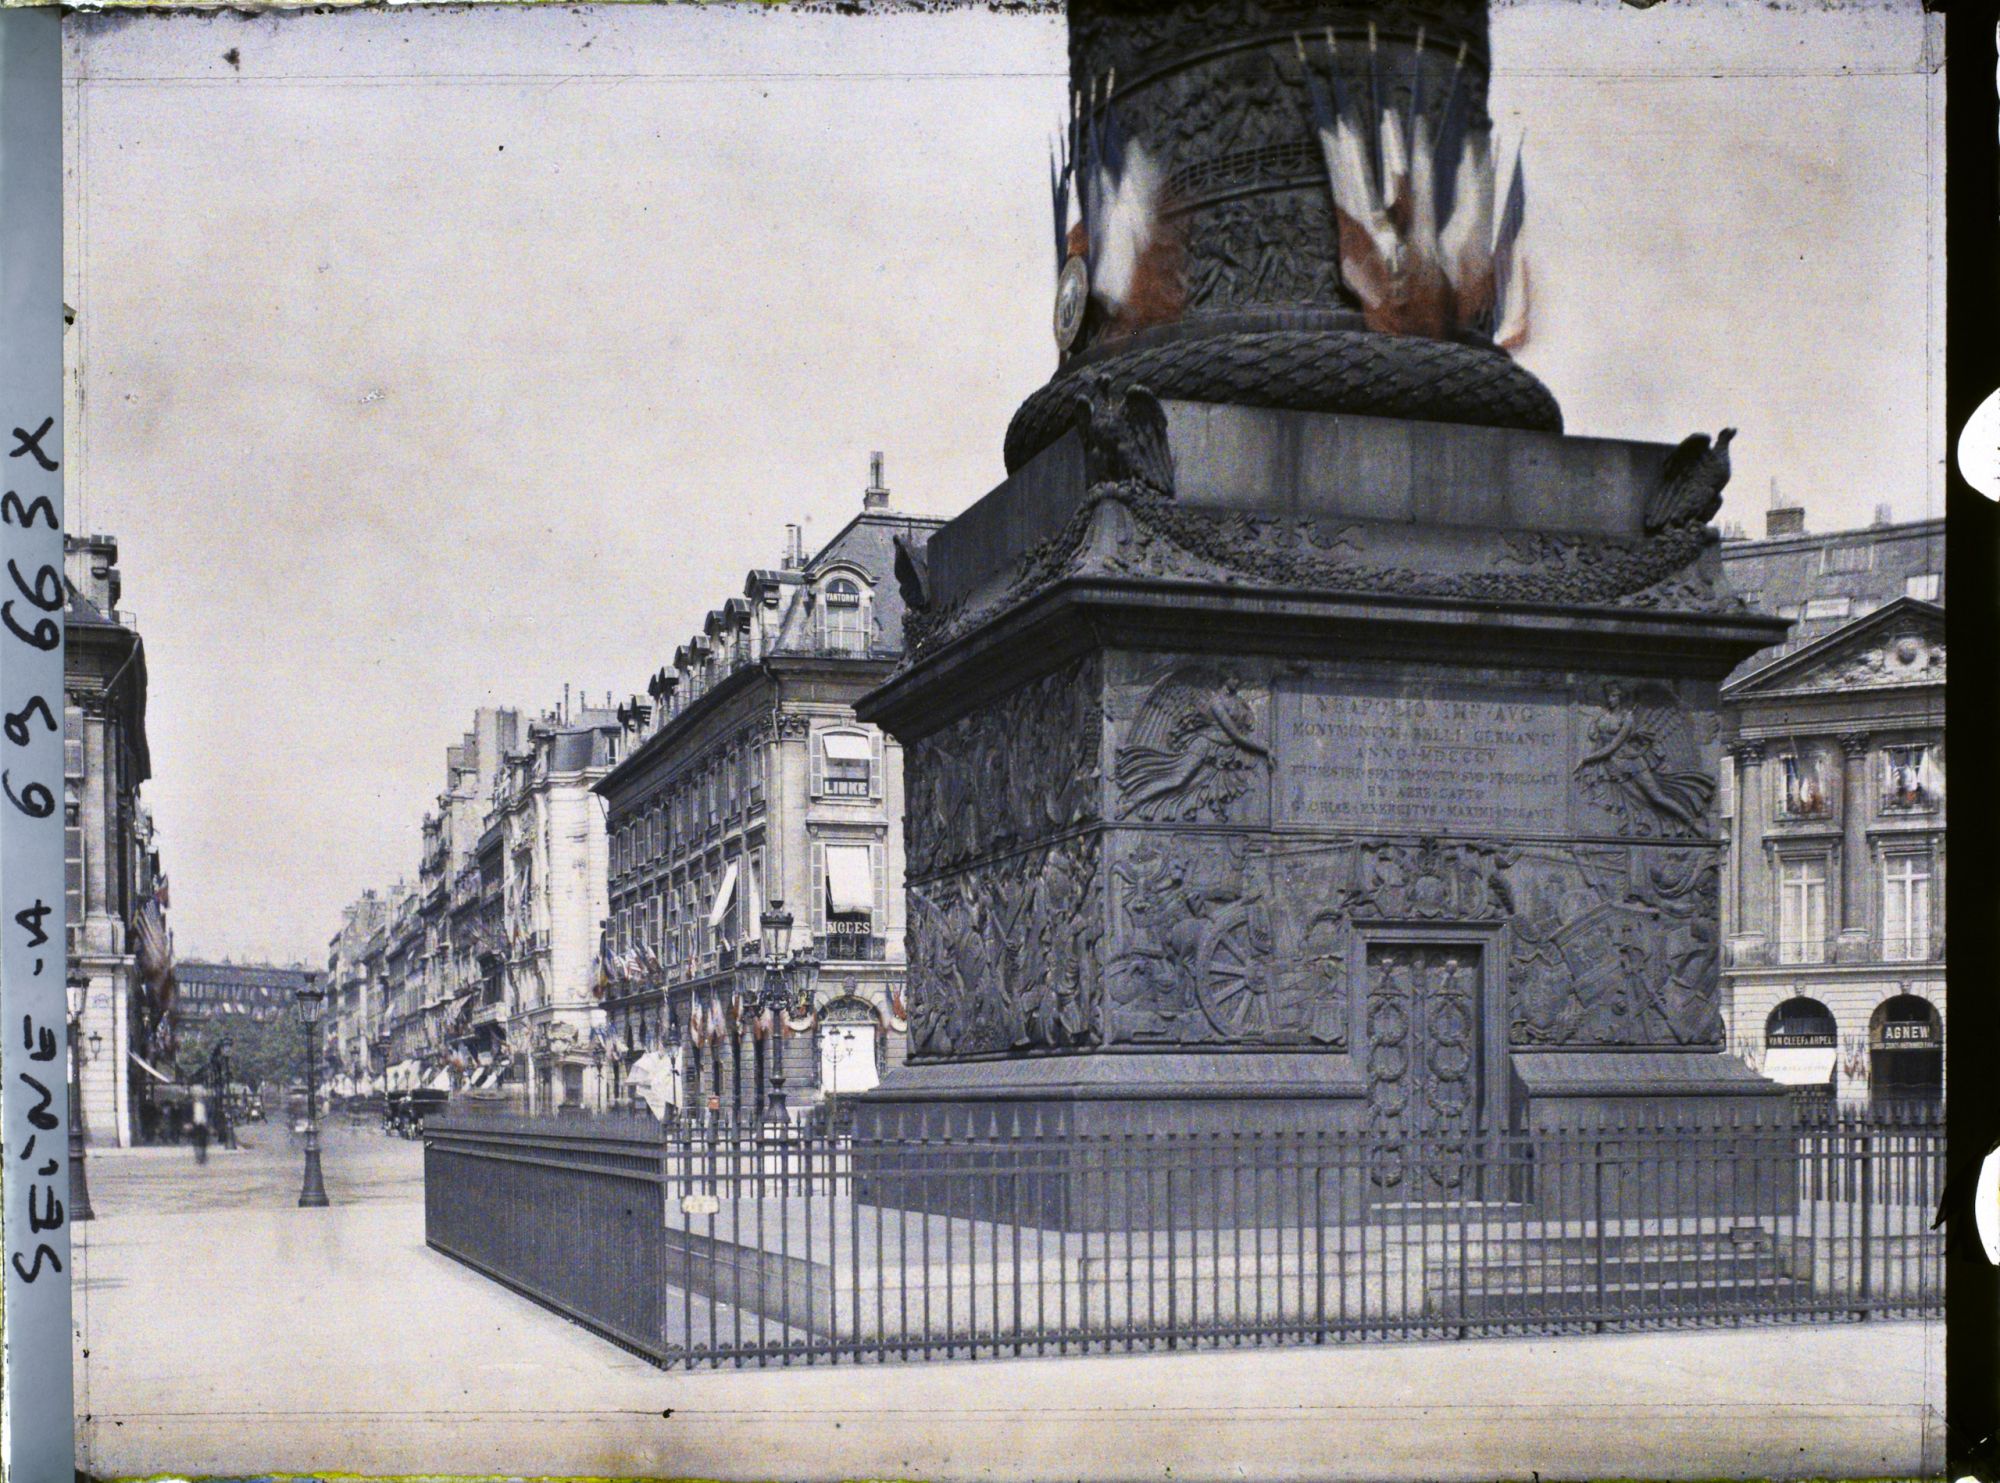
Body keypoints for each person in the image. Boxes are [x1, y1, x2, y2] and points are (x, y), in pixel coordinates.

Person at [190, 1089, 210, 1165]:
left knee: (203, 1142)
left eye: (200, 1095)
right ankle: (198, 1157)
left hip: (204, 1125)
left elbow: (210, 1115)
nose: (199, 1097)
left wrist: (210, 1125)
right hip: (194, 1124)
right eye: (197, 1095)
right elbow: (187, 1114)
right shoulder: (191, 1105)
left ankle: (202, 1156)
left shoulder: (206, 1105)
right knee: (195, 1141)